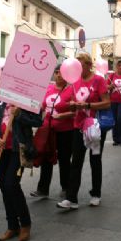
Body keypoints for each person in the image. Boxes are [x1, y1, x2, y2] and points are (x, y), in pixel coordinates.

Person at [57, 53, 111, 210]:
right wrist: (73, 105)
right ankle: (71, 198)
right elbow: (73, 104)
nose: (77, 70)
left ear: (88, 64)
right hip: (78, 125)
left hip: (95, 126)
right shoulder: (75, 82)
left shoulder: (99, 80)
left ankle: (96, 194)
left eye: (80, 66)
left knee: (95, 160)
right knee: (76, 161)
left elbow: (107, 103)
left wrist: (88, 106)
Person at [0, 100, 43, 241]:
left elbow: (37, 121)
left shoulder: (28, 99)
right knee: (3, 187)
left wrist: (19, 115)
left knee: (11, 184)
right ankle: (12, 225)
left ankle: (25, 224)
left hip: (18, 149)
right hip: (1, 149)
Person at [31, 66, 76, 199]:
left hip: (65, 131)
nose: (58, 75)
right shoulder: (48, 89)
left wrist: (63, 116)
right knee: (46, 157)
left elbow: (76, 112)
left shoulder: (71, 90)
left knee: (64, 159)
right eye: (56, 72)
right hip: (47, 130)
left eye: (61, 73)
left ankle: (66, 187)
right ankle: (43, 189)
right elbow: (41, 107)